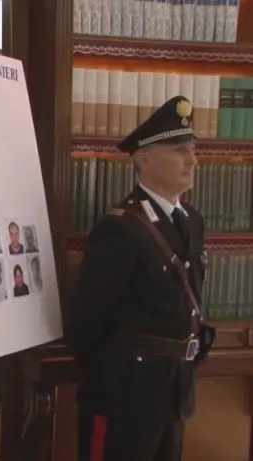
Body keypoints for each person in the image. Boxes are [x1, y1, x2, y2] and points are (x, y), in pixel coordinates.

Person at [69, 96, 214, 461]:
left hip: (175, 390)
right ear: (144, 159)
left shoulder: (192, 220)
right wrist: (114, 377)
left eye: (193, 150)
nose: (192, 160)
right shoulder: (122, 228)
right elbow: (86, 321)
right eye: (179, 151)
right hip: (125, 396)